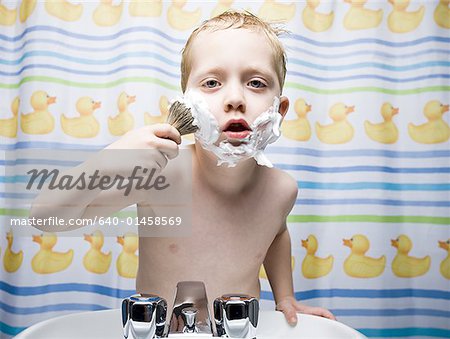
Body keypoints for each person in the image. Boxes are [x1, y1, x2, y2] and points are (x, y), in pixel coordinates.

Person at [31, 10, 335, 326]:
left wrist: (285, 297)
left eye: (256, 83)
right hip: (164, 331)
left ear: (279, 110)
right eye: (213, 82)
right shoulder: (162, 176)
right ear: (187, 104)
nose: (235, 98)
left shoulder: (282, 188)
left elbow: (275, 235)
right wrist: (110, 160)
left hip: (238, 328)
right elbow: (47, 217)